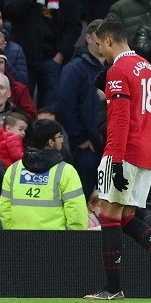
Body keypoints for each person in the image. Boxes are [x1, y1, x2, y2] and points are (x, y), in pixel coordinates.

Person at [84, 19, 151, 301]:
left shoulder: (118, 69)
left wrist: (114, 161)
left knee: (108, 216)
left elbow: (118, 120)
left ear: (107, 41)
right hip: (146, 151)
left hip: (124, 150)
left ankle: (113, 289)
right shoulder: (146, 67)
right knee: (127, 217)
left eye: (100, 46)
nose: (101, 53)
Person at [4, 0, 80, 107]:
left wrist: (60, 55)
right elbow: (10, 12)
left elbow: (74, 24)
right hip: (25, 59)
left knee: (51, 110)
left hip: (53, 59)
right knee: (23, 108)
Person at [0, 119, 87, 230]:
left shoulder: (13, 169)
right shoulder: (66, 171)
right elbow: (76, 211)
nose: (62, 140)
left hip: (20, 240)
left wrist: (12, 232)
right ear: (51, 142)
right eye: (59, 137)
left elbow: (4, 208)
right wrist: (72, 240)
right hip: (55, 242)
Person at [57, 19, 106, 197]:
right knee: (82, 197)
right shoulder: (75, 68)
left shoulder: (117, 67)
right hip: (87, 148)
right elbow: (65, 106)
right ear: (88, 38)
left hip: (112, 148)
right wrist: (80, 139)